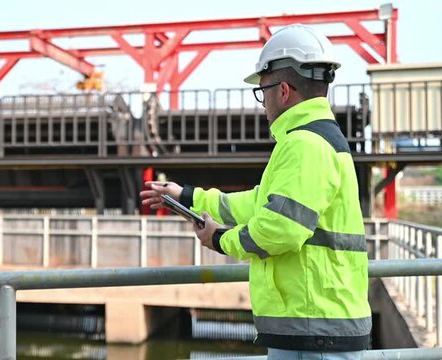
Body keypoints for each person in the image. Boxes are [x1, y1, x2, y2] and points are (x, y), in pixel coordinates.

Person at [140, 24, 370, 360]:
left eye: (262, 91)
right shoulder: (319, 140)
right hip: (319, 326)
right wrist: (187, 196)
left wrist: (220, 240)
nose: (263, 103)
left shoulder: (304, 145)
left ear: (284, 90)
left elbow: (280, 231)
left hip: (313, 331)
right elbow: (259, 203)